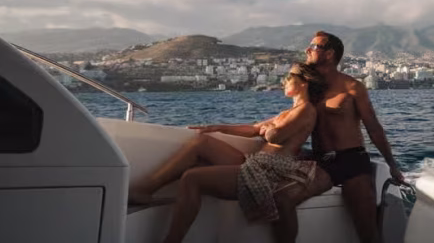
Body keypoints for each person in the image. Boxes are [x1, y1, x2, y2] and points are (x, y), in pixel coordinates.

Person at [127, 63, 332, 243]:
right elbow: (253, 128)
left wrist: (268, 130)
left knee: (192, 178)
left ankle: (172, 240)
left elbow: (274, 137)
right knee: (203, 142)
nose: (284, 82)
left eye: (289, 78)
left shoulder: (306, 110)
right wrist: (216, 127)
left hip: (269, 172)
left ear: (304, 83)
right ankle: (147, 189)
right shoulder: (289, 112)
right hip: (258, 163)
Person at [275, 31, 407, 243]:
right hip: (321, 162)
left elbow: (373, 128)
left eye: (314, 46)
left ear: (329, 54)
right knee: (282, 199)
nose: (307, 50)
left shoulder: (353, 87)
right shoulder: (309, 87)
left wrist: (392, 165)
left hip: (351, 161)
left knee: (368, 233)